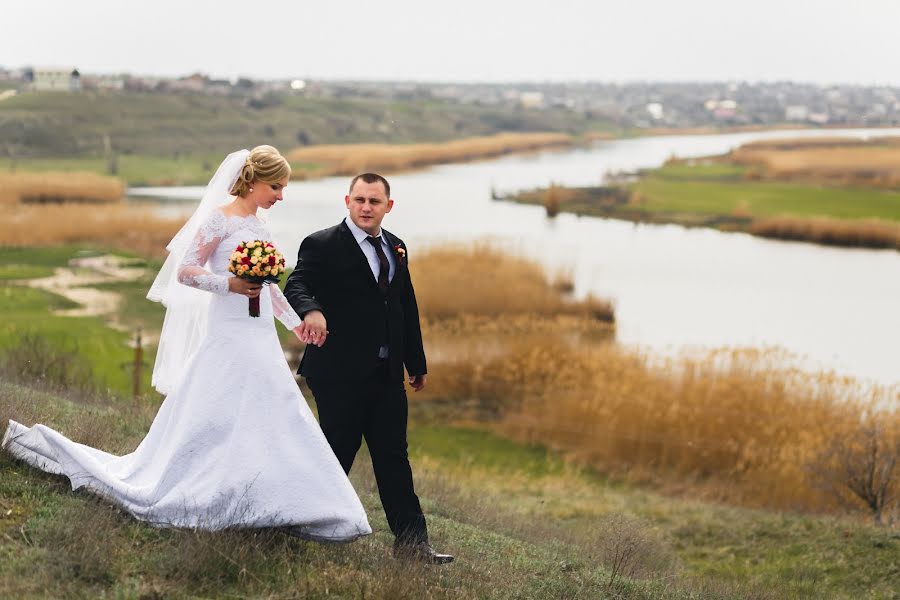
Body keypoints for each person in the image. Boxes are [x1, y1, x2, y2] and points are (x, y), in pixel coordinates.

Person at [1, 146, 371, 541]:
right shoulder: (220, 220)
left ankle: (283, 498)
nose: (280, 196)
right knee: (216, 410)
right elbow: (186, 271)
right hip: (228, 330)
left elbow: (267, 289)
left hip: (260, 333)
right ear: (254, 181)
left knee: (275, 407)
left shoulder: (259, 226)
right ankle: (210, 486)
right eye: (276, 187)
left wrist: (295, 324)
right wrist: (228, 284)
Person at [284, 173, 453, 564]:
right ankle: (299, 527)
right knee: (335, 453)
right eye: (359, 199)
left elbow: (405, 307)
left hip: (386, 373)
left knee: (394, 457)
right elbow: (297, 284)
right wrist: (312, 310)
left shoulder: (397, 247)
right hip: (338, 371)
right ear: (347, 201)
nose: (365, 207)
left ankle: (413, 545)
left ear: (387, 206)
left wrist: (416, 361)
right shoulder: (322, 243)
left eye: (374, 202)